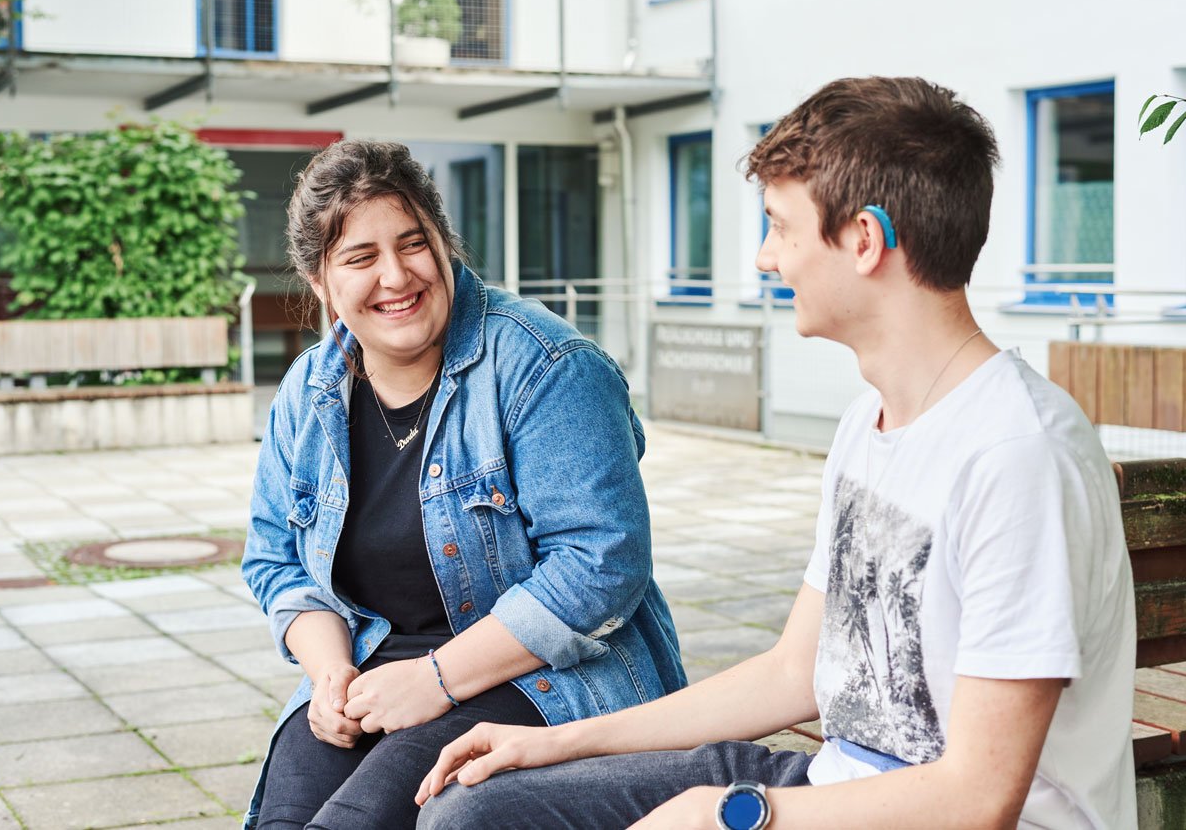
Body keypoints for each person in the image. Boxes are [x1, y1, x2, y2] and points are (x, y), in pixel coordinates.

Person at [415, 77, 1136, 829]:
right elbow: (796, 672)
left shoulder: (1017, 454)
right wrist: (558, 742)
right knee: (477, 808)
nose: (765, 257)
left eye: (780, 227)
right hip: (833, 782)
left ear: (863, 238)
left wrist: (727, 816)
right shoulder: (869, 422)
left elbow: (976, 799)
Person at [240, 140, 686, 830]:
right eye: (360, 258)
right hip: (374, 672)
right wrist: (329, 673)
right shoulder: (310, 387)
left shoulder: (547, 365)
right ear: (320, 281)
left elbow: (602, 565)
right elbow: (276, 559)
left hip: (540, 678)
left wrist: (435, 679)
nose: (395, 275)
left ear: (444, 243)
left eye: (413, 244)